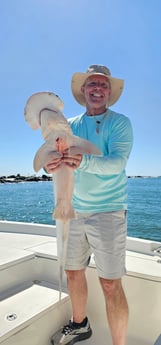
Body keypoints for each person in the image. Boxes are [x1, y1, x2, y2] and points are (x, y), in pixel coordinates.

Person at [45, 65, 133, 345]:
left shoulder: (120, 123)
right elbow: (55, 160)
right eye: (92, 84)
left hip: (108, 210)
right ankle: (80, 324)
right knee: (72, 271)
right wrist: (50, 165)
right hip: (73, 210)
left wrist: (85, 160)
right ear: (83, 91)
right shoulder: (68, 125)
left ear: (109, 92)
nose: (97, 89)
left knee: (110, 283)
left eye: (103, 85)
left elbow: (117, 163)